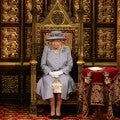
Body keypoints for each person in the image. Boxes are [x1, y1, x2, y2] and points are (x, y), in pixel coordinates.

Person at [36, 30, 76, 119]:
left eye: (57, 41)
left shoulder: (67, 49)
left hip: (63, 73)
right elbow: (43, 64)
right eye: (53, 41)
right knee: (48, 84)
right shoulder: (46, 49)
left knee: (63, 84)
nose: (55, 43)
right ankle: (52, 109)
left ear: (62, 41)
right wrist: (50, 72)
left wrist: (61, 72)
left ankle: (58, 109)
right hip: (49, 73)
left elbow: (70, 65)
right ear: (50, 41)